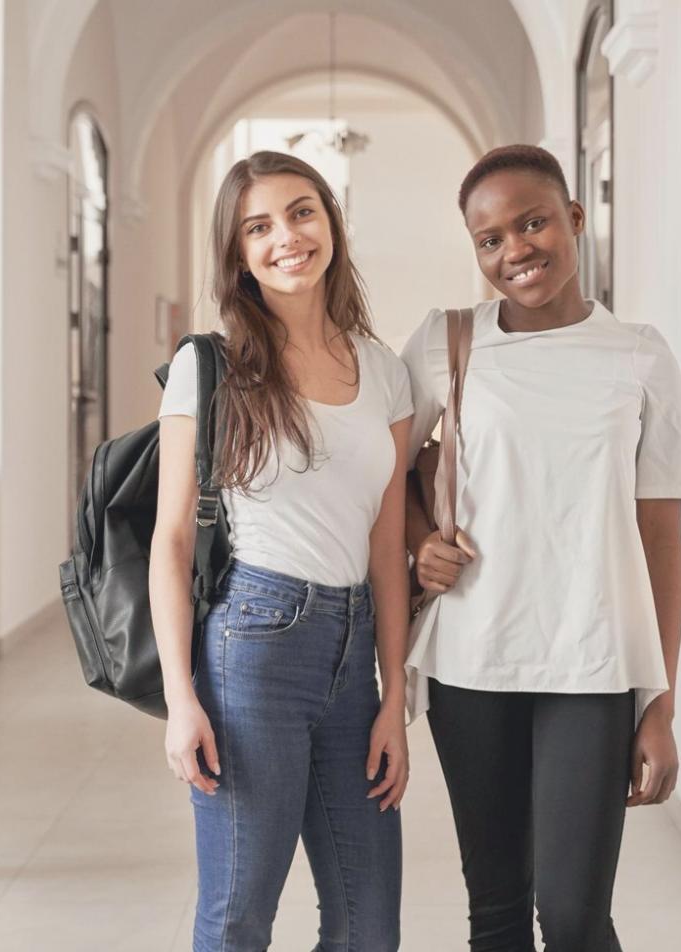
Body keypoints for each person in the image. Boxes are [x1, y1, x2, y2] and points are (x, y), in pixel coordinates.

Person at [400, 144, 681, 951]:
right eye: (488, 238)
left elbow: (661, 541)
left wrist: (660, 704)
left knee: (571, 917)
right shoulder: (443, 343)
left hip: (592, 666)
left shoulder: (639, 355)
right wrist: (420, 542)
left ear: (572, 218)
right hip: (470, 660)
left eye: (531, 223)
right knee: (495, 910)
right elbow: (379, 483)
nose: (513, 250)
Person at [150, 151, 414, 951]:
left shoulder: (384, 371)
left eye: (301, 212)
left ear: (330, 220)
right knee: (238, 917)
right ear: (236, 254)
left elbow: (388, 546)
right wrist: (179, 698)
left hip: (353, 652)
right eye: (257, 227)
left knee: (368, 926)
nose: (285, 238)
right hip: (252, 647)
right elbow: (167, 542)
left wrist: (394, 699)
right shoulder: (211, 368)